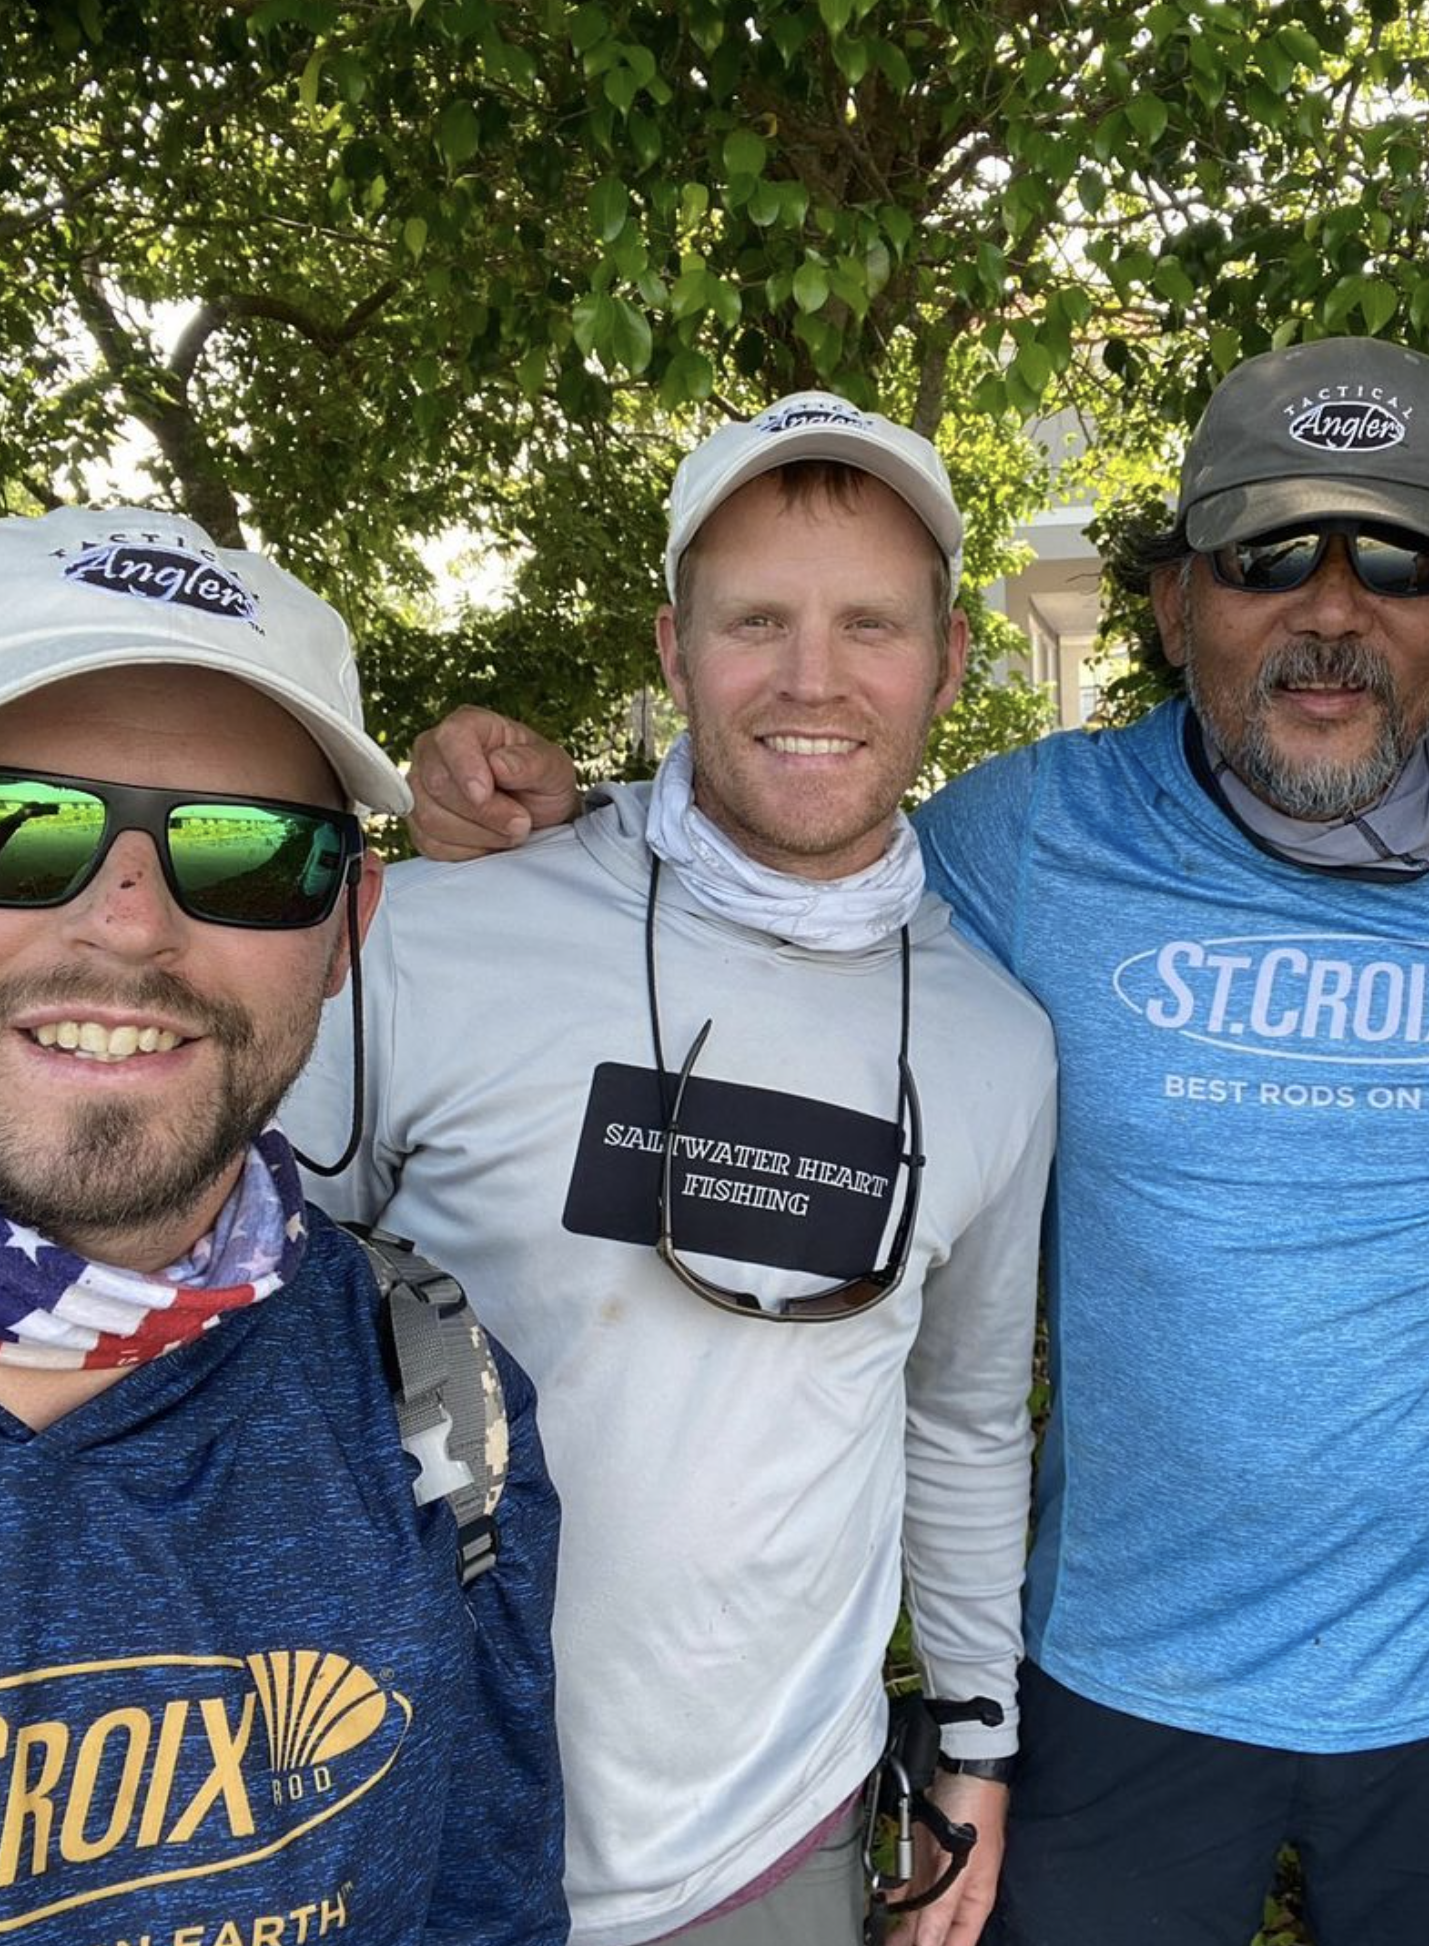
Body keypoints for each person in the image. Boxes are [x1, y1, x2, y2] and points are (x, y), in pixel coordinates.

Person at [404, 340, 1429, 1946]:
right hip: (1125, 1672)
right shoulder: (1033, 833)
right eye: (1268, 557)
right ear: (1177, 602)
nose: (1332, 612)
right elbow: (786, 859)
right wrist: (560, 836)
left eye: (1399, 559)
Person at [285, 394, 1059, 1946]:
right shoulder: (439, 934)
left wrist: (975, 1739)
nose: (813, 678)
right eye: (754, 620)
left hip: (767, 1851)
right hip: (391, 1823)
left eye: (872, 625)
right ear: (672, 645)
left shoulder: (995, 1040)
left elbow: (962, 1419)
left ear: (954, 657)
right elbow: (233, 1318)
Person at [0, 507, 566, 1944]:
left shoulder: (445, 1395)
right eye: (25, 827)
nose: (126, 919)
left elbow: (483, 1907)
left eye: (248, 855)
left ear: (345, 929)